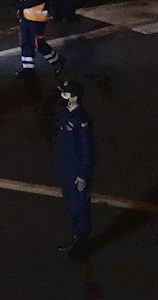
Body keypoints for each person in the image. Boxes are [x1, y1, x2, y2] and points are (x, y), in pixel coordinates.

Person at [54, 79, 96, 257]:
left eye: (65, 94)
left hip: (76, 174)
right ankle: (77, 240)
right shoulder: (68, 115)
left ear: (74, 97)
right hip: (66, 171)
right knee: (73, 208)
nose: (62, 96)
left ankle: (81, 246)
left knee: (80, 209)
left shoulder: (81, 120)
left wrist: (82, 174)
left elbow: (88, 150)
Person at [18, 0, 57, 71]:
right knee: (26, 43)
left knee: (38, 44)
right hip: (26, 18)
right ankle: (28, 70)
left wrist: (20, 5)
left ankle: (57, 61)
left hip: (37, 20)